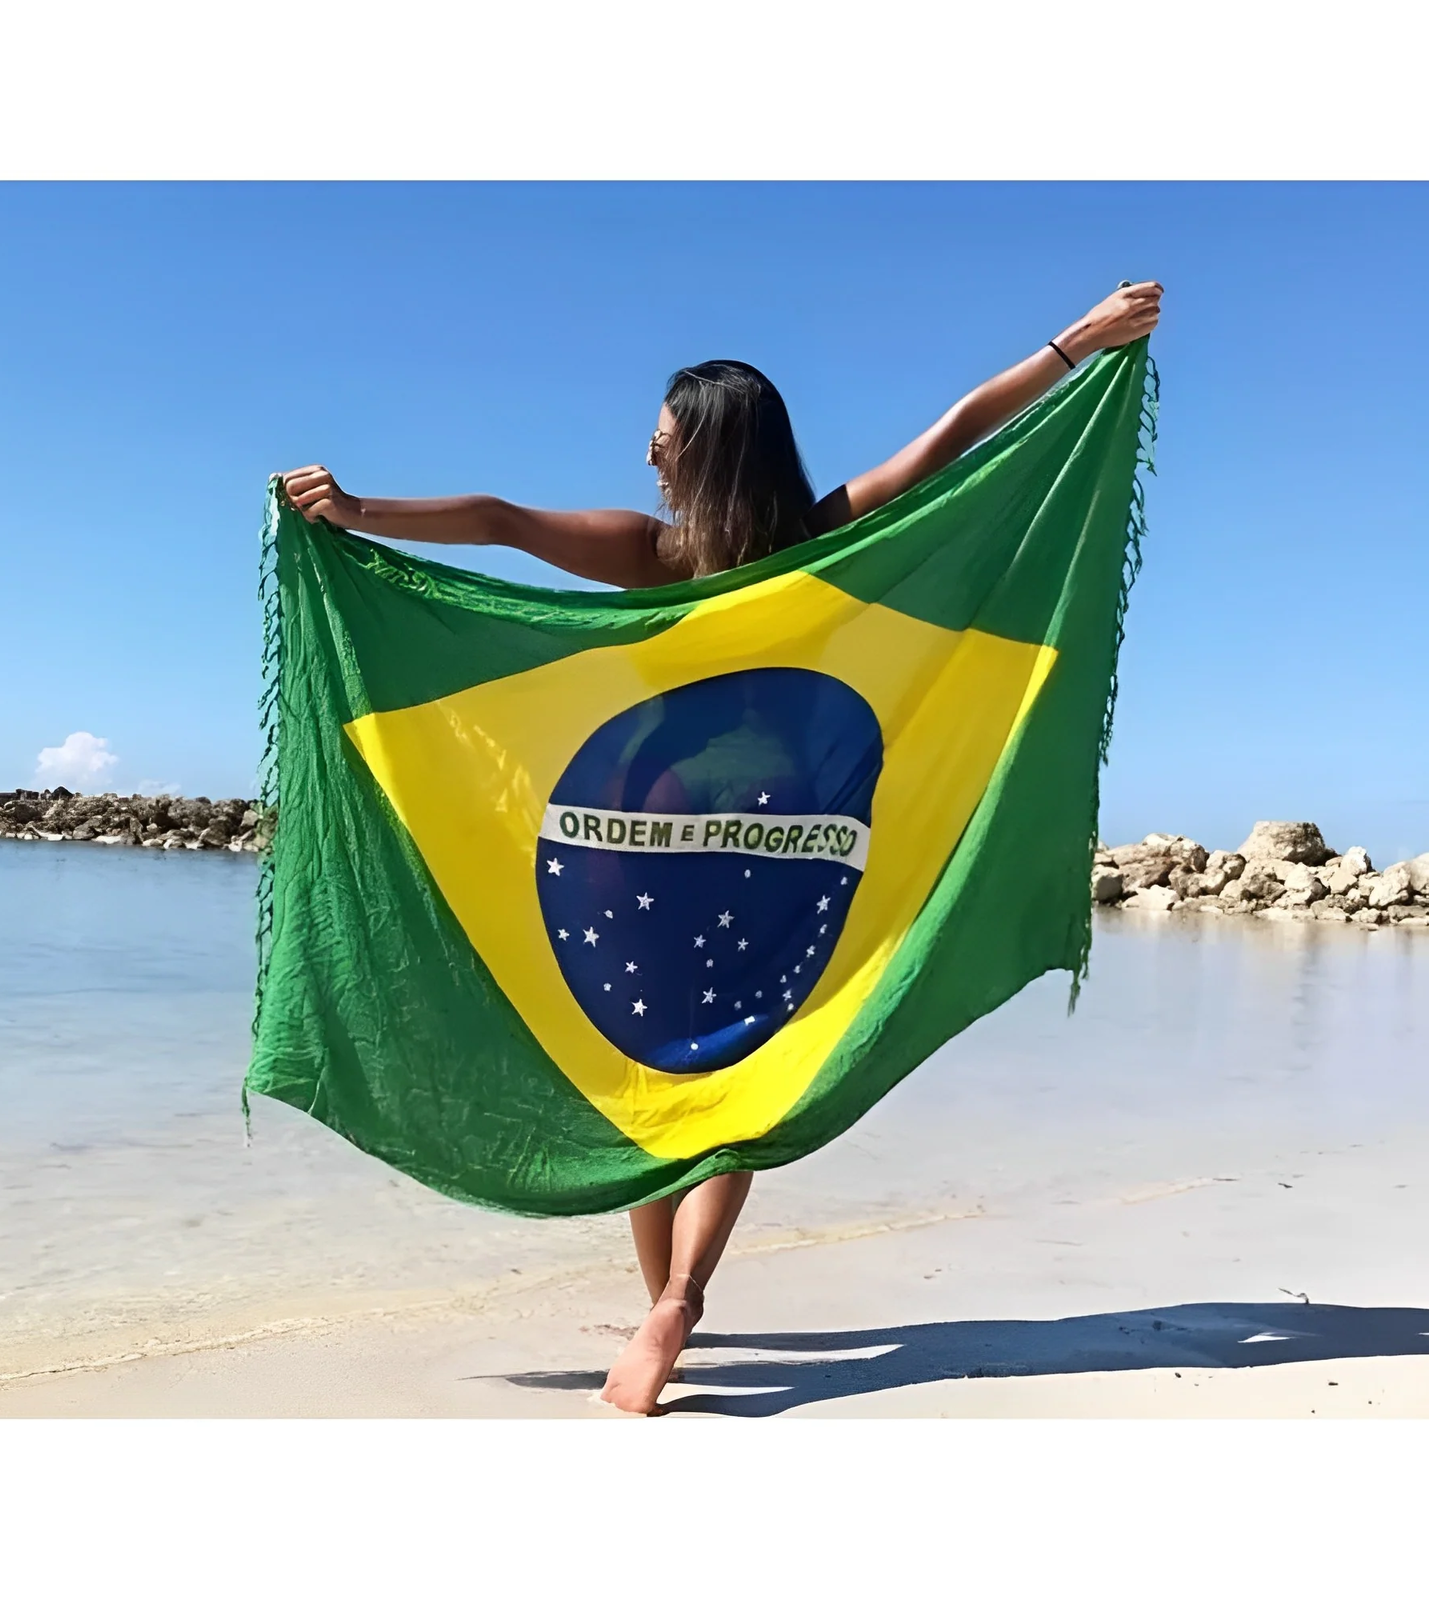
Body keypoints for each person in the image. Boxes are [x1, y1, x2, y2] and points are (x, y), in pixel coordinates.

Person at [281, 279, 1163, 1414]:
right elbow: (953, 435)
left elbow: (499, 520)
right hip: (784, 848)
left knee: (652, 1070)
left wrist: (360, 512)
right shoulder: (828, 537)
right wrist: (1073, 346)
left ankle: (666, 1303)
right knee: (743, 1072)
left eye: (657, 438)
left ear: (698, 442)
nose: (647, 458)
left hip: (635, 839)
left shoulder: (653, 553)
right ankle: (678, 1301)